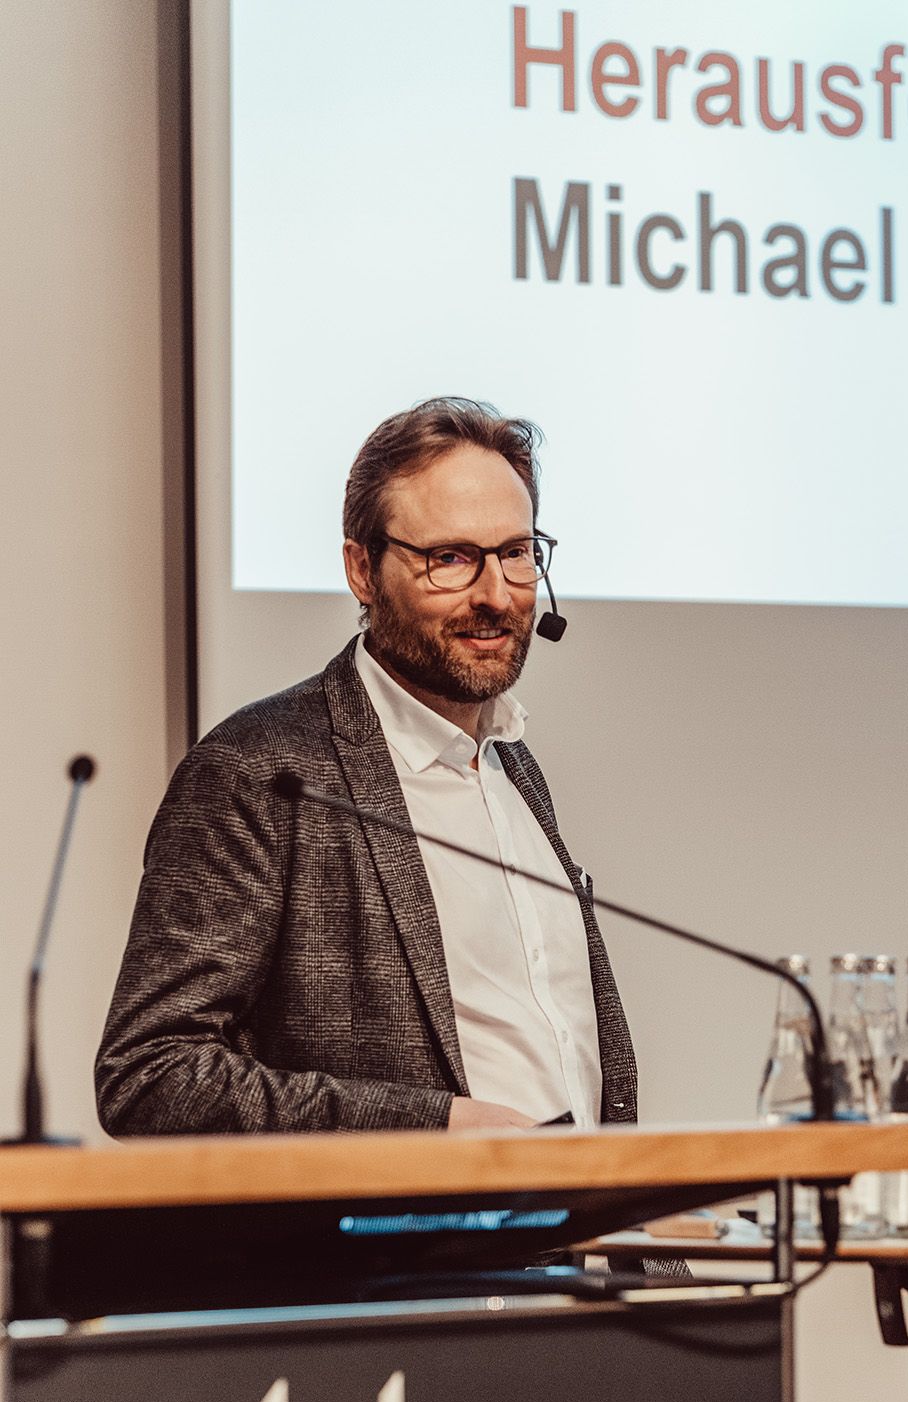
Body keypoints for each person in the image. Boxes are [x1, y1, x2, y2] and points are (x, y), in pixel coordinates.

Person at [96, 398, 637, 1137]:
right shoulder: (258, 771)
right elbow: (152, 1074)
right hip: (404, 1248)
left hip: (576, 1237)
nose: (495, 594)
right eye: (449, 558)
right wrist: (433, 1127)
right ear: (361, 569)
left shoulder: (513, 766)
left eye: (515, 553)